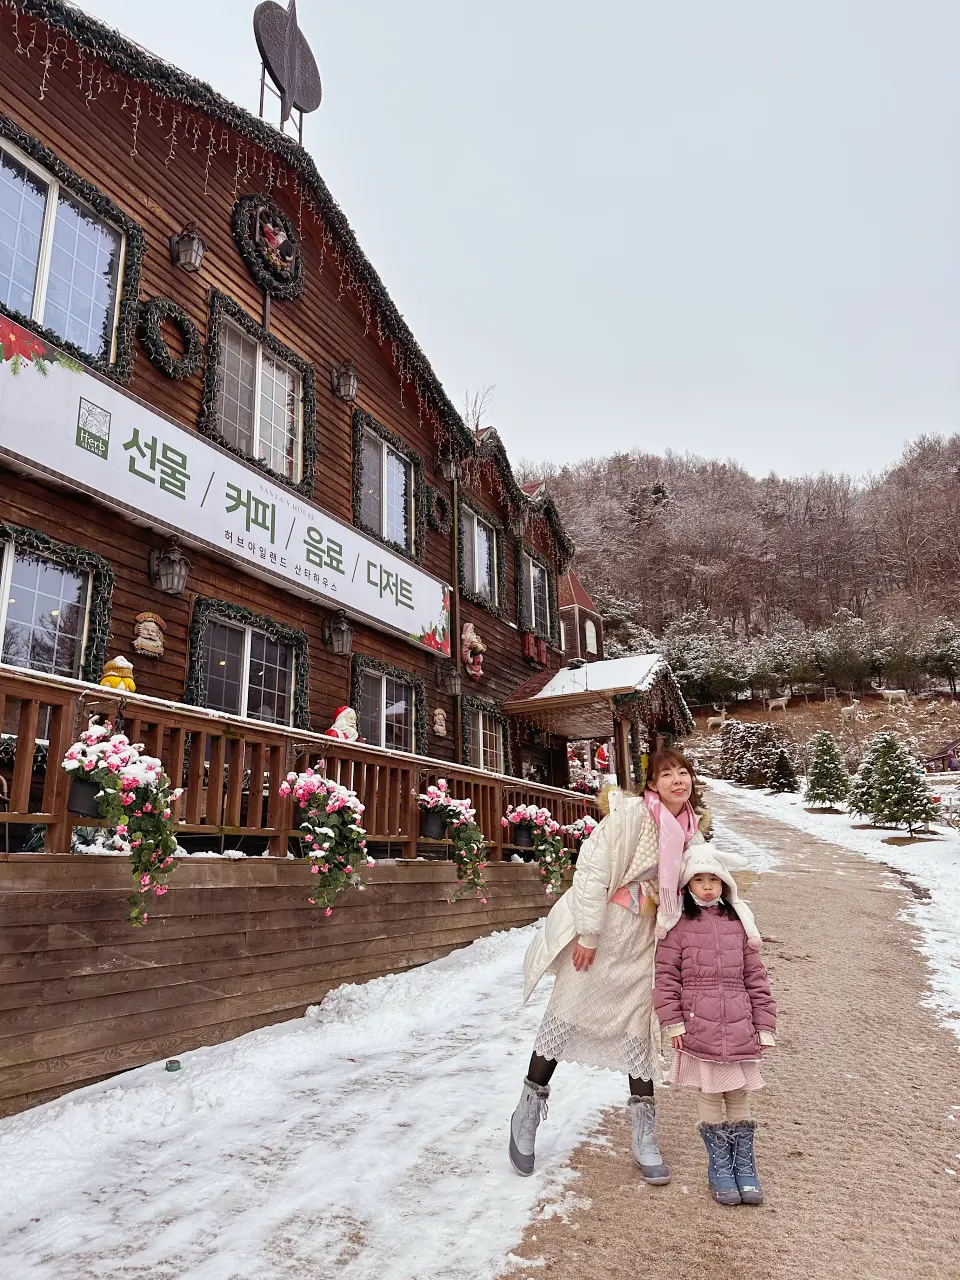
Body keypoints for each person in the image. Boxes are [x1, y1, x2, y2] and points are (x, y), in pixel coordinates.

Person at [510, 748, 706, 1182]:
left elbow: (701, 885)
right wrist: (589, 933)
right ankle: (526, 1115)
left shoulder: (691, 830)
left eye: (684, 773)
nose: (678, 780)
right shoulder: (632, 816)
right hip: (607, 930)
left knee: (640, 1032)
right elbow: (592, 869)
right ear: (652, 784)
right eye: (667, 774)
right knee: (565, 1017)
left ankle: (644, 1137)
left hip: (646, 941)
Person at [653, 847, 776, 1206]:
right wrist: (672, 1022)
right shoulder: (676, 925)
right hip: (698, 1024)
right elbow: (665, 978)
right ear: (687, 883)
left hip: (739, 1022)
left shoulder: (738, 923)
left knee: (738, 1094)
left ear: (725, 883)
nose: (707, 887)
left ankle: (744, 1166)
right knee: (710, 1093)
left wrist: (764, 1024)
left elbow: (756, 977)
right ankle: (719, 1167)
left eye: (714, 880)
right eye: (699, 879)